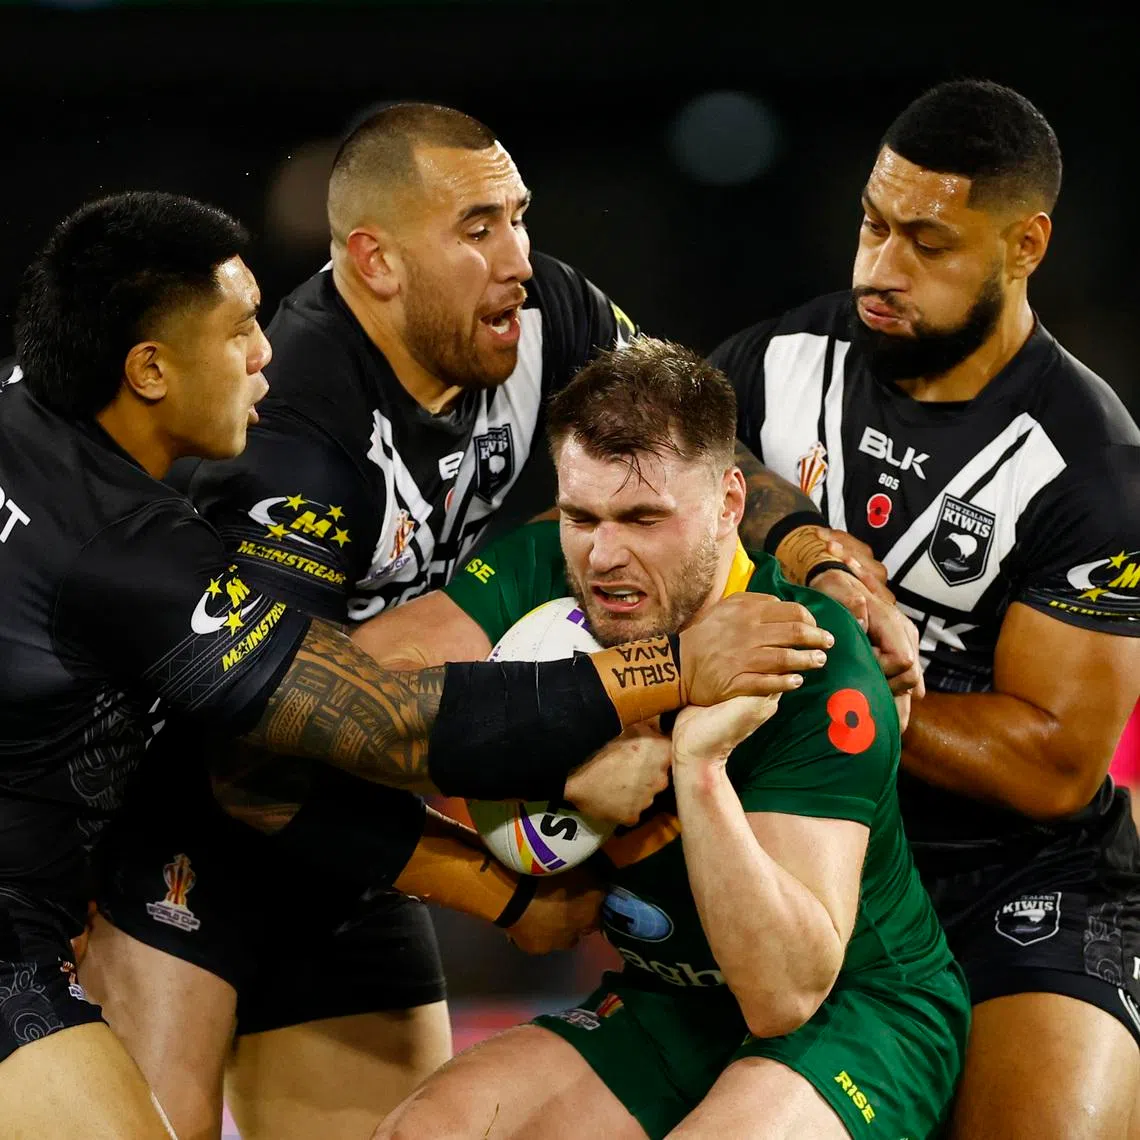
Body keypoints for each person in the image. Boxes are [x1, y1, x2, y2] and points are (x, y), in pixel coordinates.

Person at [0, 191, 810, 1137]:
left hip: (237, 884)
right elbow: (379, 724)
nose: (265, 353)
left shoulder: (30, 412)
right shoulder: (140, 543)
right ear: (147, 370)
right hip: (136, 877)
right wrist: (667, 672)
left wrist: (808, 546)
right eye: (235, 335)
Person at [361, 337, 970, 1140]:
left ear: (728, 503)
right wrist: (564, 768)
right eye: (582, 516)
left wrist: (699, 765)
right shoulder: (545, 568)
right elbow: (357, 700)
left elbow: (783, 994)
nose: (605, 556)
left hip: (856, 1011)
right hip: (673, 997)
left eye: (645, 518)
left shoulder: (812, 655)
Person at [710, 79, 1140, 1138]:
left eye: (928, 244)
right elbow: (675, 453)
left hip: (1017, 889)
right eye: (872, 222)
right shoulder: (782, 363)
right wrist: (807, 542)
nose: (878, 270)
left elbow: (1054, 764)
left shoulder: (1092, 467)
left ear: (1025, 245)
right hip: (815, 859)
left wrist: (855, 686)